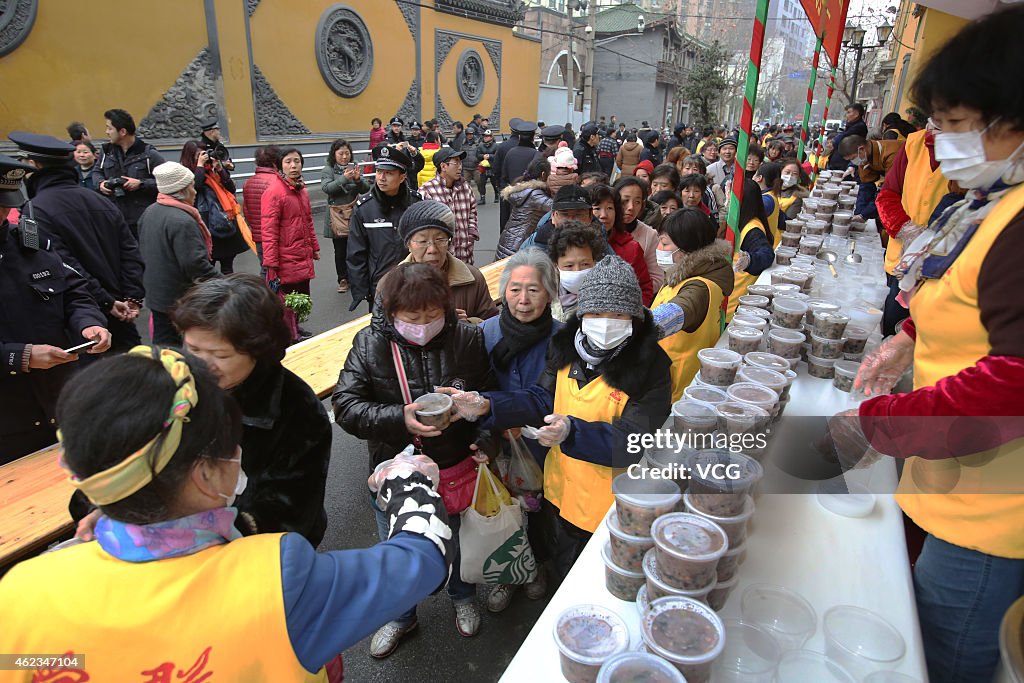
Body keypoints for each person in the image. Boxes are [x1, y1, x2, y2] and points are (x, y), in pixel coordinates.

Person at [1, 345, 453, 680]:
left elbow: (59, 662)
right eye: (232, 444)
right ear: (206, 475)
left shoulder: (23, 592)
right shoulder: (278, 582)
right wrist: (405, 480)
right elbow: (422, 559)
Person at [833, 10, 1024, 682]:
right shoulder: (989, 201)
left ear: (1011, 114)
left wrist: (880, 423)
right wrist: (908, 341)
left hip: (993, 515)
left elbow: (1012, 380)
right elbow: (972, 302)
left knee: (938, 659)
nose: (934, 142)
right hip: (950, 483)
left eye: (951, 121)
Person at [456, 256, 671, 579]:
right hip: (561, 493)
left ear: (634, 319)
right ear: (582, 315)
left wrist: (571, 432)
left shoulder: (651, 367)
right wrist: (487, 405)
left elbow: (634, 440)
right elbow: (541, 398)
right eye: (595, 313)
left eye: (617, 314)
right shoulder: (568, 345)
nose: (605, 322)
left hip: (612, 509)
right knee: (562, 575)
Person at [333, 262, 493, 656]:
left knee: (458, 541)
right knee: (398, 545)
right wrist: (397, 417)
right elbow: (346, 405)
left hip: (456, 464)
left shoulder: (467, 339)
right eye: (412, 317)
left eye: (432, 315)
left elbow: (490, 395)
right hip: (397, 469)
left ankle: (462, 596)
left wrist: (483, 430)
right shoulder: (369, 344)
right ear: (391, 314)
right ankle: (401, 615)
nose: (423, 325)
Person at [171, 275, 332, 544]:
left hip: (251, 555)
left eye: (220, 355)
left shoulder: (297, 411)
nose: (199, 364)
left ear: (259, 350)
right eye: (192, 348)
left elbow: (289, 512)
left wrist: (191, 537)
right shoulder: (167, 383)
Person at [0, 154, 110, 463]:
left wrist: (88, 322)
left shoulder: (30, 245)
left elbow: (74, 291)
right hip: (9, 423)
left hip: (61, 404)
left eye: (6, 206)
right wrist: (19, 356)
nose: (3, 214)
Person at [9, 132, 145, 356]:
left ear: (32, 165)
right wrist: (131, 298)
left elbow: (61, 265)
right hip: (119, 311)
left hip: (81, 321)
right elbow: (130, 252)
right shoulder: (100, 200)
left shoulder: (35, 210)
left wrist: (106, 302)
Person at [479, 247, 561, 611]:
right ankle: (507, 574)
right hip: (494, 442)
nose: (523, 300)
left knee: (541, 513)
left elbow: (547, 397)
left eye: (534, 289)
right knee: (500, 510)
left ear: (550, 293)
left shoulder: (561, 338)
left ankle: (538, 566)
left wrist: (493, 408)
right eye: (515, 289)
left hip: (542, 443)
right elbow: (471, 384)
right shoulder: (484, 333)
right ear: (503, 291)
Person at [874, 123, 952, 337]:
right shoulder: (913, 143)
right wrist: (907, 230)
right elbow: (887, 194)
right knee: (893, 324)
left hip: (945, 271)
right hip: (902, 260)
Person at [650, 208, 733, 399]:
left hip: (678, 385)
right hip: (663, 375)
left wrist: (633, 326)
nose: (659, 249)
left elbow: (675, 312)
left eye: (664, 243)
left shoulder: (699, 287)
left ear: (687, 248)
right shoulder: (682, 275)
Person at [138, 162, 219, 346]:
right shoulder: (181, 221)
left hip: (156, 294)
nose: (195, 191)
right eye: (191, 186)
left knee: (164, 344)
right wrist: (227, 283)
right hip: (177, 297)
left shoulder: (150, 212)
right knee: (176, 347)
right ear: (181, 190)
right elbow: (195, 265)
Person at [378, 201, 496, 323]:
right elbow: (380, 330)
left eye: (440, 239)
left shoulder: (472, 279)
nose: (432, 249)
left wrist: (466, 326)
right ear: (408, 244)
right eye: (423, 241)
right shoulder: (389, 285)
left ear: (449, 242)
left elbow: (491, 326)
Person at [348, 144, 421, 313]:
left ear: (402, 177)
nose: (381, 178)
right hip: (380, 287)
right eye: (379, 171)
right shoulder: (364, 208)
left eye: (388, 173)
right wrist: (362, 292)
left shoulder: (416, 205)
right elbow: (356, 254)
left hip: (414, 284)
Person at [261, 147, 318, 340]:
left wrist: (314, 248)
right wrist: (271, 263)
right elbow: (268, 231)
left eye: (297, 161)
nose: (293, 166)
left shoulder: (301, 189)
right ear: (279, 166)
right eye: (288, 162)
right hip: (285, 256)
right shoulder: (274, 192)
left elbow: (308, 221)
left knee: (300, 296)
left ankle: (296, 329)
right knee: (288, 299)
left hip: (301, 253)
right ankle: (290, 335)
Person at [180, 140, 247, 275]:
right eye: (199, 155)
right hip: (206, 224)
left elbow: (231, 188)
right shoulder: (186, 172)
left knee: (228, 266)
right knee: (207, 267)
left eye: (204, 153)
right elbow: (195, 186)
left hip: (225, 220)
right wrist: (199, 166)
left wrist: (221, 169)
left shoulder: (212, 170)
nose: (204, 157)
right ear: (190, 156)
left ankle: (229, 293)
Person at [96, 108, 166, 237]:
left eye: (109, 128)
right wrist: (101, 184)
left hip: (142, 220)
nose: (107, 132)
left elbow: (167, 181)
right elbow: (96, 173)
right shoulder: (106, 152)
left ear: (122, 131)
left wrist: (141, 184)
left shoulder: (148, 154)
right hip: (114, 217)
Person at [321, 139, 371, 294]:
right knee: (340, 249)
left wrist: (357, 179)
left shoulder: (354, 166)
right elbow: (327, 188)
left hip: (354, 213)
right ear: (334, 154)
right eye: (341, 153)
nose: (344, 157)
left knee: (356, 248)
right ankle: (342, 278)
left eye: (347, 153)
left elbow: (365, 188)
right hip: (337, 215)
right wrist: (344, 179)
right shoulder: (328, 169)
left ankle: (356, 277)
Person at [591, 183, 653, 304]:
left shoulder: (631, 248)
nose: (604, 215)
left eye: (610, 208)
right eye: (597, 208)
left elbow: (644, 288)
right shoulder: (575, 244)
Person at [419, 148, 479, 265]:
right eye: (455, 162)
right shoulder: (427, 191)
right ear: (443, 166)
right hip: (441, 260)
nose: (460, 167)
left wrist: (471, 233)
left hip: (465, 255)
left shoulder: (465, 187)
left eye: (460, 162)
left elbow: (473, 212)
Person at [726, 177, 775, 320]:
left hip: (735, 301)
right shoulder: (739, 222)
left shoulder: (752, 229)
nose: (727, 200)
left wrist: (750, 260)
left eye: (730, 196)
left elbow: (767, 254)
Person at [518, 183, 603, 253]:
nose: (571, 221)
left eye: (578, 215)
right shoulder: (535, 245)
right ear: (553, 216)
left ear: (590, 216)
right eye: (565, 214)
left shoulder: (599, 240)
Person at [839, 134, 905, 223]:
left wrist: (865, 214)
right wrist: (858, 213)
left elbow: (889, 190)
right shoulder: (864, 158)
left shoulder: (892, 153)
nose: (854, 162)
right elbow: (866, 186)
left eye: (853, 158)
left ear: (861, 149)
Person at [548, 220, 605, 322]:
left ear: (594, 261)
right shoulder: (545, 292)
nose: (577, 271)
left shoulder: (608, 295)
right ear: (556, 265)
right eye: (569, 266)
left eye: (585, 264)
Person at [496, 158, 554, 260]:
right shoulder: (535, 195)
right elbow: (557, 208)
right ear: (543, 174)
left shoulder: (524, 190)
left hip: (507, 241)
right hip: (518, 245)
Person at [613, 176, 663, 290]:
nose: (631, 207)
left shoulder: (650, 235)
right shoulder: (603, 230)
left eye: (637, 202)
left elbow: (657, 279)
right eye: (625, 201)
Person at [241, 145, 279, 271]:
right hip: (277, 237)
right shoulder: (278, 182)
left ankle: (265, 290)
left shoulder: (248, 183)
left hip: (259, 237)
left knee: (265, 269)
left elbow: (247, 212)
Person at [499, 120, 542, 230]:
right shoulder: (535, 155)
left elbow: (503, 176)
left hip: (511, 197)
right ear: (533, 137)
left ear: (519, 137)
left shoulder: (511, 153)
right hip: (529, 200)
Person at [827, 102, 869, 170]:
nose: (846, 115)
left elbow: (843, 137)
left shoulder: (859, 126)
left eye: (849, 112)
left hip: (845, 165)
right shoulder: (850, 126)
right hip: (838, 163)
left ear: (856, 114)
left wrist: (834, 141)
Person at [754, 161, 786, 246]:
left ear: (759, 178)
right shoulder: (770, 196)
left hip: (760, 246)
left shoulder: (766, 200)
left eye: (755, 174)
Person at [681, 155, 720, 221]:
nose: (690, 172)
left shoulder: (707, 192)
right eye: (687, 168)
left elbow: (713, 215)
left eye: (695, 169)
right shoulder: (676, 188)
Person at [475, 128, 500, 205]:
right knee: (481, 183)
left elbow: (497, 156)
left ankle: (496, 195)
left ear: (491, 137)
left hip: (492, 167)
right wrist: (483, 156)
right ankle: (482, 198)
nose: (485, 137)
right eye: (485, 136)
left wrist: (490, 156)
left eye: (487, 136)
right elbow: (477, 155)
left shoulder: (496, 146)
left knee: (494, 183)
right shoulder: (480, 145)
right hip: (483, 168)